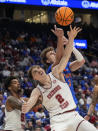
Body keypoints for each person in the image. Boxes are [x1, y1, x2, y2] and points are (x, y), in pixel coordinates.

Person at [22, 26, 97, 131]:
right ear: (35, 78)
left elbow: (76, 59)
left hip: (73, 111)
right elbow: (60, 57)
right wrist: (27, 106)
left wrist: (70, 39)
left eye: (39, 68)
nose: (39, 70)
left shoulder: (58, 70)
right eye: (35, 71)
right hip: (58, 119)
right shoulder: (52, 71)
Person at [40, 25, 85, 111]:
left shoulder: (66, 65)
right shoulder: (51, 70)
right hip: (61, 107)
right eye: (51, 54)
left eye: (54, 52)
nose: (54, 53)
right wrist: (60, 38)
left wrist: (71, 46)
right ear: (47, 61)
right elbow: (59, 58)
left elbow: (81, 61)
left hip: (73, 103)